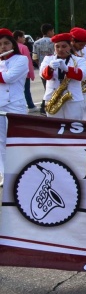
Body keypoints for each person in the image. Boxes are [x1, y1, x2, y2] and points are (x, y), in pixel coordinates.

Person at [0, 28, 29, 186]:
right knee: (0, 143)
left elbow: (9, 78)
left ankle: (21, 173)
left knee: (17, 141)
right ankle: (5, 174)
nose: (3, 47)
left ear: (12, 43)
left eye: (6, 43)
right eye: (0, 44)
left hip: (15, 106)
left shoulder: (21, 59)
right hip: (0, 105)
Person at [40, 33, 86, 120]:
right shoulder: (48, 59)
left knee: (73, 127)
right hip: (53, 99)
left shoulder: (79, 60)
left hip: (73, 99)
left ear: (70, 46)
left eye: (64, 46)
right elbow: (43, 75)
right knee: (55, 128)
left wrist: (67, 69)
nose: (60, 49)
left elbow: (83, 75)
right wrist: (49, 68)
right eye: (57, 47)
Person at [33, 23, 55, 115]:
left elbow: (35, 57)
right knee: (51, 89)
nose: (53, 33)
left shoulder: (36, 43)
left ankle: (44, 106)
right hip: (53, 68)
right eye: (53, 31)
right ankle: (45, 107)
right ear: (49, 31)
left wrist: (40, 65)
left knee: (46, 88)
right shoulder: (54, 42)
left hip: (42, 69)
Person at [13, 30, 36, 112]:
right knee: (26, 90)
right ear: (18, 37)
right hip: (24, 73)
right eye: (23, 37)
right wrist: (31, 74)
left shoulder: (12, 47)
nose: (24, 39)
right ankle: (31, 106)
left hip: (14, 73)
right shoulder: (24, 47)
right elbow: (28, 62)